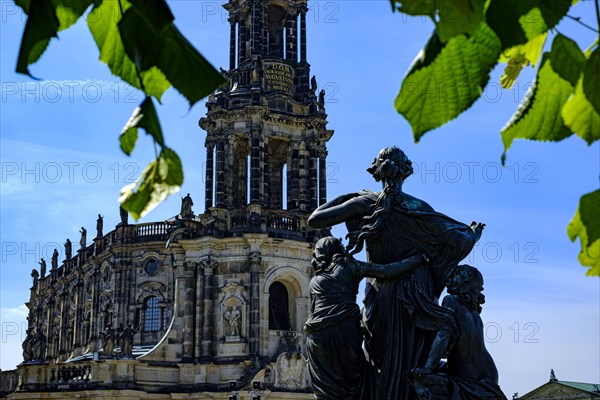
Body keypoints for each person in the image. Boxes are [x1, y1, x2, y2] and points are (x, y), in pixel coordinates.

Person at [308, 146, 483, 400]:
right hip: (417, 289)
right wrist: (472, 235)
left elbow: (315, 219)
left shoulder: (364, 203)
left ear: (376, 173)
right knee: (414, 351)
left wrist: (350, 197)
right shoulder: (419, 207)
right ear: (405, 173)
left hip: (382, 290)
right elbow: (455, 239)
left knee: (382, 355)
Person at [305, 236, 427, 400]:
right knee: (352, 382)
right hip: (343, 330)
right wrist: (416, 259)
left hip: (316, 339)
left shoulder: (314, 281)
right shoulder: (349, 266)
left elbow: (314, 311)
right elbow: (386, 271)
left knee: (325, 392)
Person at [409, 265, 507, 400]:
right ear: (466, 283)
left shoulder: (451, 301)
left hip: (467, 377)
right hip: (489, 377)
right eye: (479, 285)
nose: (482, 289)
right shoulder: (474, 313)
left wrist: (428, 367)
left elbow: (444, 334)